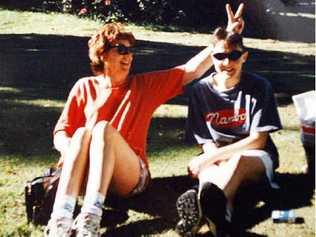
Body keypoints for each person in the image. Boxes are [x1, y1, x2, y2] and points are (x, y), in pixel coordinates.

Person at [44, 4, 244, 236]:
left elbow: (190, 70)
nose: (128, 56)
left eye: (130, 51)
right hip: (89, 174)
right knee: (79, 134)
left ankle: (90, 219)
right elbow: (61, 132)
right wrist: (70, 150)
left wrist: (226, 37)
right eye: (121, 49)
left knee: (102, 129)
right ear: (102, 53)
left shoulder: (143, 87)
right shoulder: (84, 86)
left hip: (130, 177)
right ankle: (60, 220)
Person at [175, 26, 282, 236]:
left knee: (236, 162)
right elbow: (205, 140)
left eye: (234, 55)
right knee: (209, 174)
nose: (227, 62)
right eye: (220, 56)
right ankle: (220, 218)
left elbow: (258, 141)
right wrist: (211, 158)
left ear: (244, 57)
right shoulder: (200, 91)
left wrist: (212, 157)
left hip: (255, 157)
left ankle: (200, 210)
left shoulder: (260, 87)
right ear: (212, 56)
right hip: (215, 155)